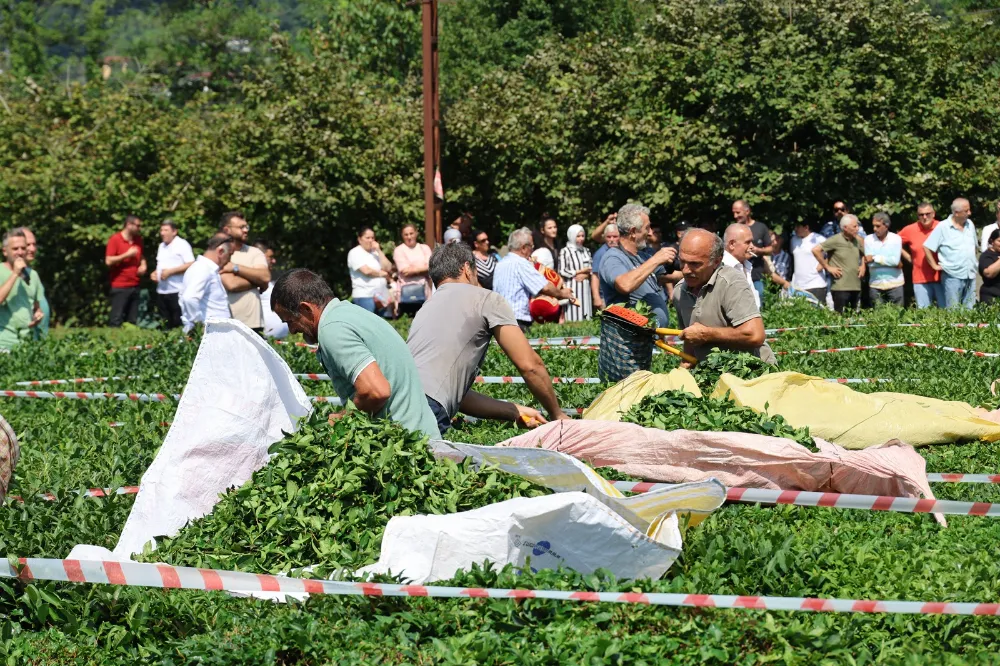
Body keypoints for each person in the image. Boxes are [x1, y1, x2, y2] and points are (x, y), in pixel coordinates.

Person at [408, 243, 570, 434]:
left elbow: (451, 392)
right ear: (467, 269)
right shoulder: (486, 299)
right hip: (430, 411)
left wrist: (514, 411)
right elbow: (530, 366)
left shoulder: (425, 309)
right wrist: (557, 414)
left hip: (396, 404)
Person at [271, 268, 440, 439]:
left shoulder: (332, 329)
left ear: (306, 309)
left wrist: (340, 418)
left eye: (291, 321)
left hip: (407, 447)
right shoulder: (351, 314)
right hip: (422, 437)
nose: (292, 331)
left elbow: (376, 391)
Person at [673, 229, 776, 365]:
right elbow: (690, 341)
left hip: (751, 370)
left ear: (716, 261)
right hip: (712, 372)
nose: (685, 270)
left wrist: (707, 334)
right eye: (682, 262)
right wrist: (683, 369)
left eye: (694, 264)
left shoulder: (731, 282)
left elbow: (755, 335)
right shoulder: (680, 291)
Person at [598, 203, 677, 327]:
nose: (650, 233)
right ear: (633, 232)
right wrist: (656, 259)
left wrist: (697, 268)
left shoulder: (643, 256)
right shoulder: (612, 257)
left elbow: (669, 276)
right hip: (627, 342)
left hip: (649, 341)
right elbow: (624, 285)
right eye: (647, 228)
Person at [493, 228, 576, 331]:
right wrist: (562, 293)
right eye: (531, 246)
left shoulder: (500, 264)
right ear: (523, 248)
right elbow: (544, 287)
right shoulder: (521, 263)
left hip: (499, 320)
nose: (532, 250)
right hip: (517, 321)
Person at [219, 212, 271, 332]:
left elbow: (265, 277)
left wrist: (235, 268)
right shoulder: (221, 253)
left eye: (246, 226)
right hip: (229, 323)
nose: (246, 230)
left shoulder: (255, 252)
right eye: (241, 227)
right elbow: (232, 284)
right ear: (227, 230)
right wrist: (257, 281)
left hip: (254, 323)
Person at [924, 198, 978, 309]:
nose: (969, 213)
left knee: (970, 310)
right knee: (953, 312)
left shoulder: (970, 224)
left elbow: (974, 247)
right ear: (956, 213)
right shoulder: (943, 227)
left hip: (970, 274)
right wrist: (934, 266)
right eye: (966, 211)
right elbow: (927, 246)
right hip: (952, 276)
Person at [179, 234, 233, 333]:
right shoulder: (203, 269)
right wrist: (199, 325)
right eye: (229, 255)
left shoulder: (206, 269)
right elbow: (189, 298)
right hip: (209, 335)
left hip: (213, 333)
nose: (229, 260)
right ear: (220, 251)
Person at [0, 230, 43, 349]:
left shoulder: (33, 275)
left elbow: (36, 307)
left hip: (27, 345)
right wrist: (15, 274)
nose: (20, 252)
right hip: (4, 344)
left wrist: (38, 315)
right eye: (15, 249)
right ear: (5, 251)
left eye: (23, 248)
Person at [813, 214, 865, 313]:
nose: (857, 229)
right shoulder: (835, 239)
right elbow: (816, 250)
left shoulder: (857, 241)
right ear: (845, 228)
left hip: (856, 286)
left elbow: (864, 254)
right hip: (840, 287)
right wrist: (827, 267)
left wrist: (863, 266)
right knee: (840, 318)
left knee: (854, 320)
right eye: (854, 226)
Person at [150, 219, 195, 329]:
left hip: (177, 290)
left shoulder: (182, 244)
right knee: (165, 323)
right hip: (162, 290)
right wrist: (155, 274)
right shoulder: (162, 246)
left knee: (177, 323)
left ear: (174, 232)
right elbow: (161, 265)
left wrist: (171, 272)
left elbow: (191, 264)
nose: (162, 233)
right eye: (161, 230)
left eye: (166, 230)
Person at [899, 202, 943, 308]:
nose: (924, 217)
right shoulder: (910, 229)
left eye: (927, 214)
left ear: (933, 214)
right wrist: (908, 257)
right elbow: (894, 242)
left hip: (941, 277)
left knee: (946, 311)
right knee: (924, 314)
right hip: (920, 278)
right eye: (921, 215)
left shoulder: (942, 227)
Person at [105, 215, 146, 327]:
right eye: (137, 225)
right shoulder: (115, 239)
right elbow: (108, 260)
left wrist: (143, 264)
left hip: (135, 284)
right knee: (116, 319)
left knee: (132, 320)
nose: (139, 228)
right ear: (128, 225)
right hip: (120, 285)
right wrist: (126, 255)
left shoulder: (138, 240)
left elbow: (141, 255)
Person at [732, 200, 771, 307]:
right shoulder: (734, 229)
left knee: (759, 308)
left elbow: (771, 249)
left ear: (747, 211)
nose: (735, 216)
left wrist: (758, 250)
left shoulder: (760, 227)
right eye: (733, 213)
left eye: (738, 212)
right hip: (738, 276)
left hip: (757, 276)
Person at [347, 226, 394, 314]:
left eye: (372, 238)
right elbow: (366, 271)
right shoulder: (355, 253)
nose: (371, 240)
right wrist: (382, 274)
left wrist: (379, 251)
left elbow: (388, 267)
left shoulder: (375, 253)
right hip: (365, 296)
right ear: (360, 239)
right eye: (367, 238)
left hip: (381, 296)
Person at [13, 227, 48, 339]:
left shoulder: (32, 274)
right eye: (28, 245)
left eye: (34, 244)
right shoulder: (7, 275)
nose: (32, 249)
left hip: (37, 341)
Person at [864, 213, 904, 306]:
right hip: (875, 284)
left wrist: (874, 258)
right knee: (878, 316)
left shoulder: (896, 239)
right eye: (873, 226)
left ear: (886, 226)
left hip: (895, 283)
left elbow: (895, 261)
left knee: (897, 315)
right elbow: (870, 264)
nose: (874, 229)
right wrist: (889, 261)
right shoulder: (868, 239)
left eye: (878, 226)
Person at [393, 223, 433, 316]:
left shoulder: (425, 248)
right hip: (405, 293)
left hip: (425, 291)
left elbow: (431, 267)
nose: (409, 237)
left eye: (411, 233)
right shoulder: (399, 250)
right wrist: (423, 268)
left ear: (416, 233)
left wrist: (413, 268)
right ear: (402, 236)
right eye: (406, 234)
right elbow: (405, 271)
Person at [557, 225, 594, 321]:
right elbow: (562, 270)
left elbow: (591, 269)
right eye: (578, 236)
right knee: (573, 313)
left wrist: (586, 275)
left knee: (586, 313)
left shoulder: (586, 251)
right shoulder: (565, 251)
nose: (581, 239)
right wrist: (579, 272)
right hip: (572, 287)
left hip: (585, 287)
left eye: (582, 236)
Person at [253, 239, 288, 339]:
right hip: (262, 340)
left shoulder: (269, 282)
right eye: (270, 257)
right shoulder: (251, 282)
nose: (274, 261)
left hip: (277, 342)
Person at [722, 224, 760, 308]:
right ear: (732, 244)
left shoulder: (746, 265)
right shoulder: (722, 268)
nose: (752, 246)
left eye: (752, 242)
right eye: (747, 242)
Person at [789, 222, 828, 303]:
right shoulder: (793, 240)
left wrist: (823, 265)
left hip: (816, 284)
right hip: (798, 286)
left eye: (798, 227)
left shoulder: (819, 239)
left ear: (806, 227)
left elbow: (832, 253)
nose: (795, 229)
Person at [591, 223, 620, 310]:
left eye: (615, 236)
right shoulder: (600, 253)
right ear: (604, 237)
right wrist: (596, 297)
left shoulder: (622, 250)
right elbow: (595, 276)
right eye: (609, 237)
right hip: (606, 298)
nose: (612, 239)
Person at [979, 229, 1000, 305]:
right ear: (992, 241)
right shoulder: (986, 256)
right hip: (991, 297)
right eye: (999, 241)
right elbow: (989, 273)